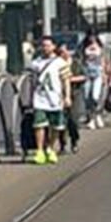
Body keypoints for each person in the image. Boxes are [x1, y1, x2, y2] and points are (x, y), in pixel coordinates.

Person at [28, 36, 68, 164]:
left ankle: (50, 148)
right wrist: (30, 97)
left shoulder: (60, 62)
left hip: (55, 98)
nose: (45, 48)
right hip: (40, 98)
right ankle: (40, 150)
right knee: (39, 125)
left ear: (54, 47)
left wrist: (67, 96)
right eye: (43, 45)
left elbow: (65, 80)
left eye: (48, 45)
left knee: (56, 126)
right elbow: (32, 81)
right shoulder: (36, 63)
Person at [80, 32, 106, 129]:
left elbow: (103, 60)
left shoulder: (100, 47)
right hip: (87, 74)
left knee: (95, 96)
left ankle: (97, 115)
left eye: (93, 36)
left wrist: (104, 74)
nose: (92, 38)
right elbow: (81, 60)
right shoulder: (84, 48)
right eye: (90, 36)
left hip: (97, 74)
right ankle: (91, 118)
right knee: (87, 97)